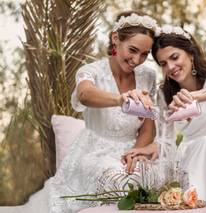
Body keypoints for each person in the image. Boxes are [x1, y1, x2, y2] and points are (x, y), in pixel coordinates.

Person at [123, 25, 206, 207]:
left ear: (190, 54)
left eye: (175, 57)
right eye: (163, 63)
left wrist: (194, 96)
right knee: (204, 144)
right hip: (191, 155)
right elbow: (166, 141)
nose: (171, 67)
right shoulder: (164, 94)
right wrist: (147, 149)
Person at [45, 11, 159, 213]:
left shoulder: (148, 76)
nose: (136, 59)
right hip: (94, 153)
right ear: (116, 39)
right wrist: (120, 99)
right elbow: (85, 94)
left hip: (132, 152)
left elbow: (148, 129)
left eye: (144, 54)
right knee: (115, 177)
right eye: (132, 50)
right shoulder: (90, 71)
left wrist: (136, 152)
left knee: (150, 178)